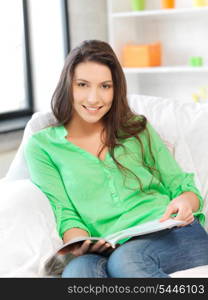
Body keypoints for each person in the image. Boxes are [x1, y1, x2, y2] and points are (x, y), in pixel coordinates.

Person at [24, 39, 208, 278]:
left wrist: (185, 202)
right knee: (78, 272)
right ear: (68, 85)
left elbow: (181, 185)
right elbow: (65, 214)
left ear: (116, 89)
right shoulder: (43, 146)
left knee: (128, 259)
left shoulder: (136, 128)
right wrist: (82, 245)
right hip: (107, 248)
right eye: (83, 85)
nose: (94, 98)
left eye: (105, 86)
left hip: (171, 233)